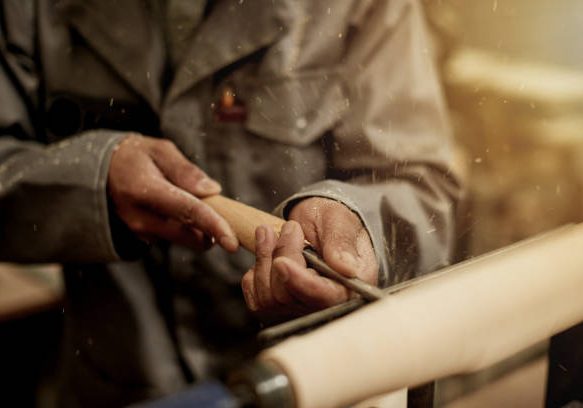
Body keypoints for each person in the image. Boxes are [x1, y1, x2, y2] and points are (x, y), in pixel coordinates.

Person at [0, 0, 461, 407]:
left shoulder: (363, 5)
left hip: (306, 386)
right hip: (113, 383)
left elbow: (422, 186)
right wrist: (93, 178)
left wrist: (360, 225)